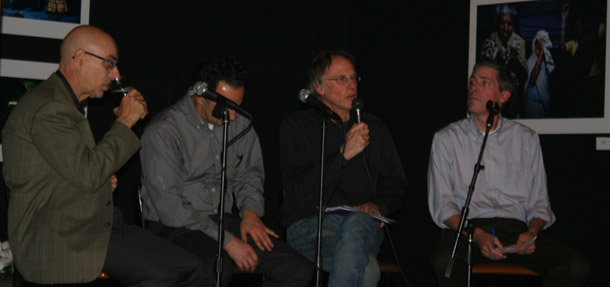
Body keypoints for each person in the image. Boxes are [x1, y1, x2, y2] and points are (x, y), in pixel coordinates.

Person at [2, 25, 204, 286]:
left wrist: (101, 181)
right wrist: (124, 123)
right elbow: (87, 174)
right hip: (61, 237)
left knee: (193, 267)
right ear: (80, 58)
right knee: (161, 275)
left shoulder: (61, 103)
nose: (116, 73)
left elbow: (73, 171)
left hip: (95, 224)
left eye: (115, 65)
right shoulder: (50, 107)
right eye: (109, 64)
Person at [139, 55, 313, 287]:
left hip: (221, 222)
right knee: (216, 268)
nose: (232, 115)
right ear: (200, 96)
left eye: (237, 106)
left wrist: (250, 211)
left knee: (297, 270)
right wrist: (227, 241)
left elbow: (249, 174)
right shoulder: (163, 131)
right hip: (173, 227)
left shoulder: (239, 122)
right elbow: (172, 209)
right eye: (225, 107)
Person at [428, 61, 590, 287]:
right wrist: (478, 235)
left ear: (503, 95)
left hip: (516, 231)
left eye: (484, 83)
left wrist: (532, 232)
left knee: (576, 265)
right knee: (444, 260)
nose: (474, 87)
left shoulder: (526, 139)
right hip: (468, 231)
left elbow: (539, 202)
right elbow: (443, 205)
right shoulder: (446, 139)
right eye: (472, 81)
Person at [279, 49, 407, 287]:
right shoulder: (296, 127)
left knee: (358, 222)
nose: (351, 86)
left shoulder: (375, 127)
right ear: (319, 87)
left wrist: (378, 205)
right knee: (367, 271)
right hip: (312, 225)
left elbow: (396, 183)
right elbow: (299, 193)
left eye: (354, 79)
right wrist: (343, 154)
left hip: (363, 224)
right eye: (342, 79)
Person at [479, 3, 527, 118]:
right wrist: (498, 63)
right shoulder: (489, 42)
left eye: (509, 24)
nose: (506, 28)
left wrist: (515, 62)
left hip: (513, 102)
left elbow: (525, 77)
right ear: (497, 23)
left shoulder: (519, 42)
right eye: (502, 23)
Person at [522, 30, 555, 118]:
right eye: (538, 48)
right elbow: (532, 81)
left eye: (542, 49)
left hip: (544, 105)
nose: (540, 51)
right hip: (532, 105)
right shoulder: (531, 62)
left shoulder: (547, 64)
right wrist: (540, 55)